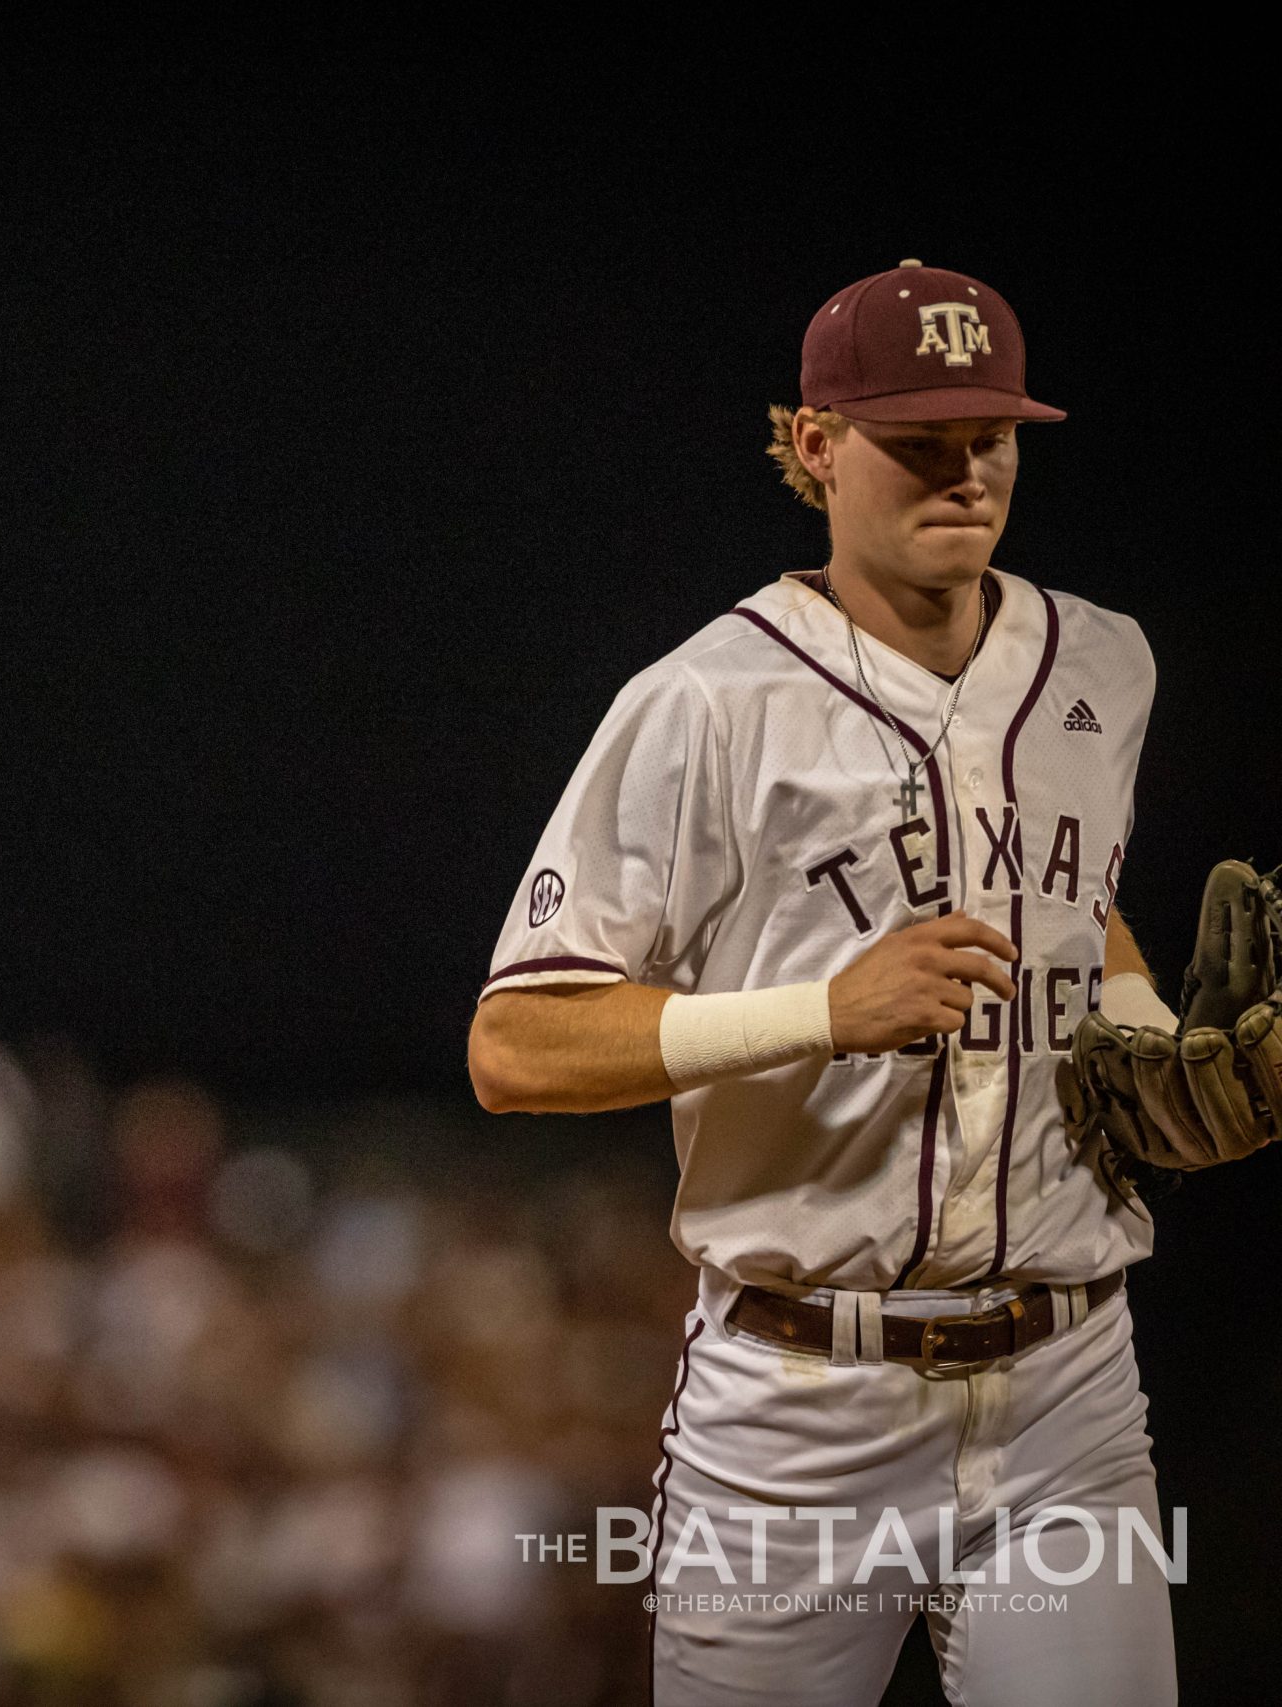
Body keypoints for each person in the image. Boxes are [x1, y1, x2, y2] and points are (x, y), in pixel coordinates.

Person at [467, 264, 1178, 1704]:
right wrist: (818, 1011)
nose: (964, 467)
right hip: (800, 1415)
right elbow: (516, 1043)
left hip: (1070, 1390)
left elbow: (1077, 904)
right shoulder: (705, 700)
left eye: (991, 433)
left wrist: (1154, 1031)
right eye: (919, 434)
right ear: (813, 446)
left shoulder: (1106, 657)